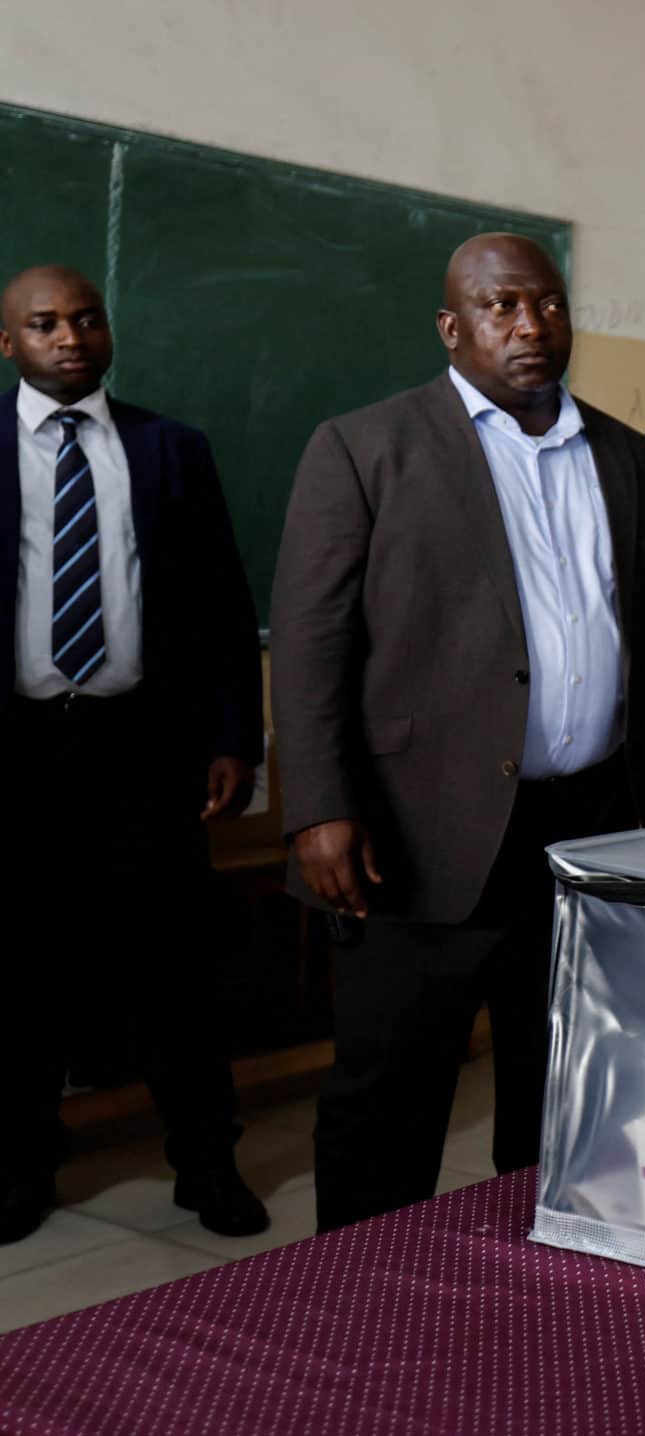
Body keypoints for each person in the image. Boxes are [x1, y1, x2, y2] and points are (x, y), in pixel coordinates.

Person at [270, 233, 645, 1231]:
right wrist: (319, 805)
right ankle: (364, 1298)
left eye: (545, 305)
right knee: (389, 1094)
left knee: (564, 1088)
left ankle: (531, 1285)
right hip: (421, 831)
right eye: (501, 306)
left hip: (590, 827)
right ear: (451, 325)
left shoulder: (628, 458)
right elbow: (310, 638)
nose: (528, 325)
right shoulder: (365, 445)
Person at [0, 264, 268, 1241]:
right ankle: (19, 1170)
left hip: (142, 755)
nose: (68, 338)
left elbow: (227, 609)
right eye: (43, 324)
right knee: (17, 975)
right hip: (16, 758)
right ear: (9, 343)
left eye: (85, 319)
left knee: (174, 971)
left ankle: (207, 1166)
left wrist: (237, 736)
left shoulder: (171, 449)